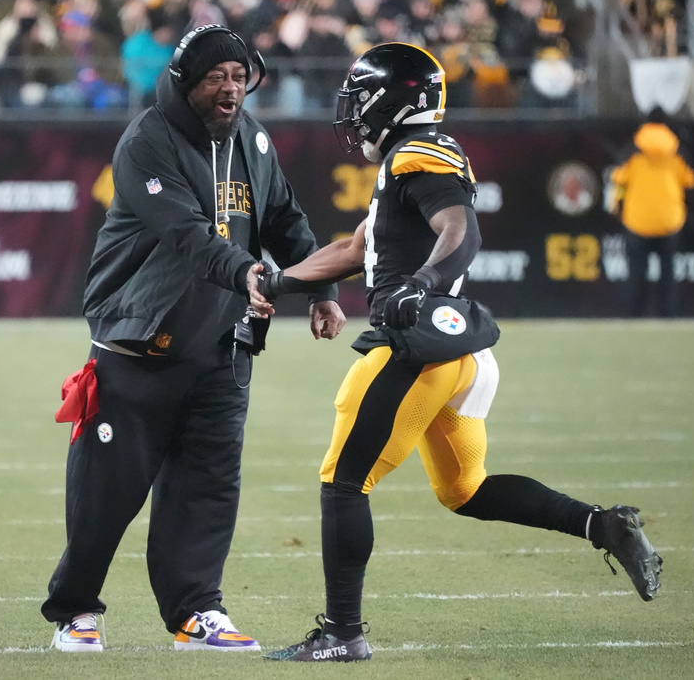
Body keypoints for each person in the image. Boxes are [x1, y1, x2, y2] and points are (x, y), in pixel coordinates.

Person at [248, 42, 663, 662]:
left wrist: (421, 284)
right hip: (460, 355)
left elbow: (459, 231)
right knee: (464, 491)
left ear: (394, 102)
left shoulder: (418, 153)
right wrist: (275, 283)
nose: (354, 114)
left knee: (343, 481)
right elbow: (352, 249)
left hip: (416, 348)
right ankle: (603, 526)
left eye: (361, 101)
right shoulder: (405, 160)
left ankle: (342, 633)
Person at [41, 23, 346, 653]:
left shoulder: (254, 140)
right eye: (216, 78)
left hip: (223, 343)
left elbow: (285, 219)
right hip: (140, 338)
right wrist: (247, 271)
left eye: (240, 77)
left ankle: (197, 612)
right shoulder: (146, 141)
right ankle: (76, 612)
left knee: (208, 485)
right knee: (107, 490)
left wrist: (323, 289)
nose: (231, 90)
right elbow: (186, 234)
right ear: (186, 83)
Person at [609, 107, 694, 317]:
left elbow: (618, 180)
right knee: (667, 273)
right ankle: (668, 316)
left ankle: (634, 316)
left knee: (636, 273)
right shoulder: (678, 151)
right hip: (669, 220)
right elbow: (691, 181)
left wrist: (616, 207)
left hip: (637, 221)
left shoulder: (631, 150)